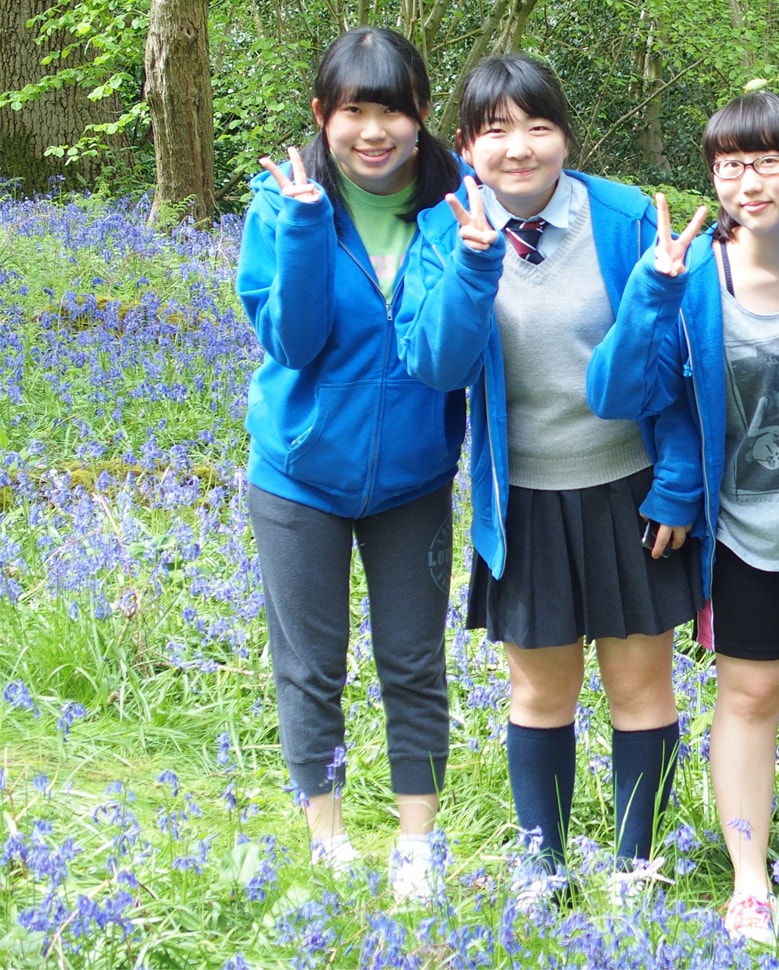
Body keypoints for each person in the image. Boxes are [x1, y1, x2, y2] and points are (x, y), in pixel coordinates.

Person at [587, 90, 779, 945]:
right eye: (729, 165)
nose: (748, 182)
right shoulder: (695, 274)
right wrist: (652, 293)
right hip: (744, 528)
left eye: (769, 161)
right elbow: (619, 393)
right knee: (751, 694)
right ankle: (751, 883)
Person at [397, 52, 700, 898]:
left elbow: (681, 361)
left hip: (632, 490)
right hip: (522, 498)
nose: (519, 147)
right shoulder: (444, 231)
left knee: (640, 684)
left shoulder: (626, 218)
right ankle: (545, 865)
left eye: (538, 125)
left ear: (566, 135)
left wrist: (679, 481)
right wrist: (472, 267)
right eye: (495, 130)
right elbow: (435, 364)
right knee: (540, 691)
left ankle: (637, 865)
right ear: (465, 145)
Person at [236, 25, 465, 901]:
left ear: (422, 114)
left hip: (413, 478)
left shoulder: (459, 202)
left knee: (413, 662)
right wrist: (302, 228)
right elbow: (292, 343)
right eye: (354, 111)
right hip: (298, 477)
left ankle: (416, 850)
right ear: (322, 114)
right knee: (311, 665)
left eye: (393, 111)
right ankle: (328, 842)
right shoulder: (282, 201)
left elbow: (453, 348)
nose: (374, 132)